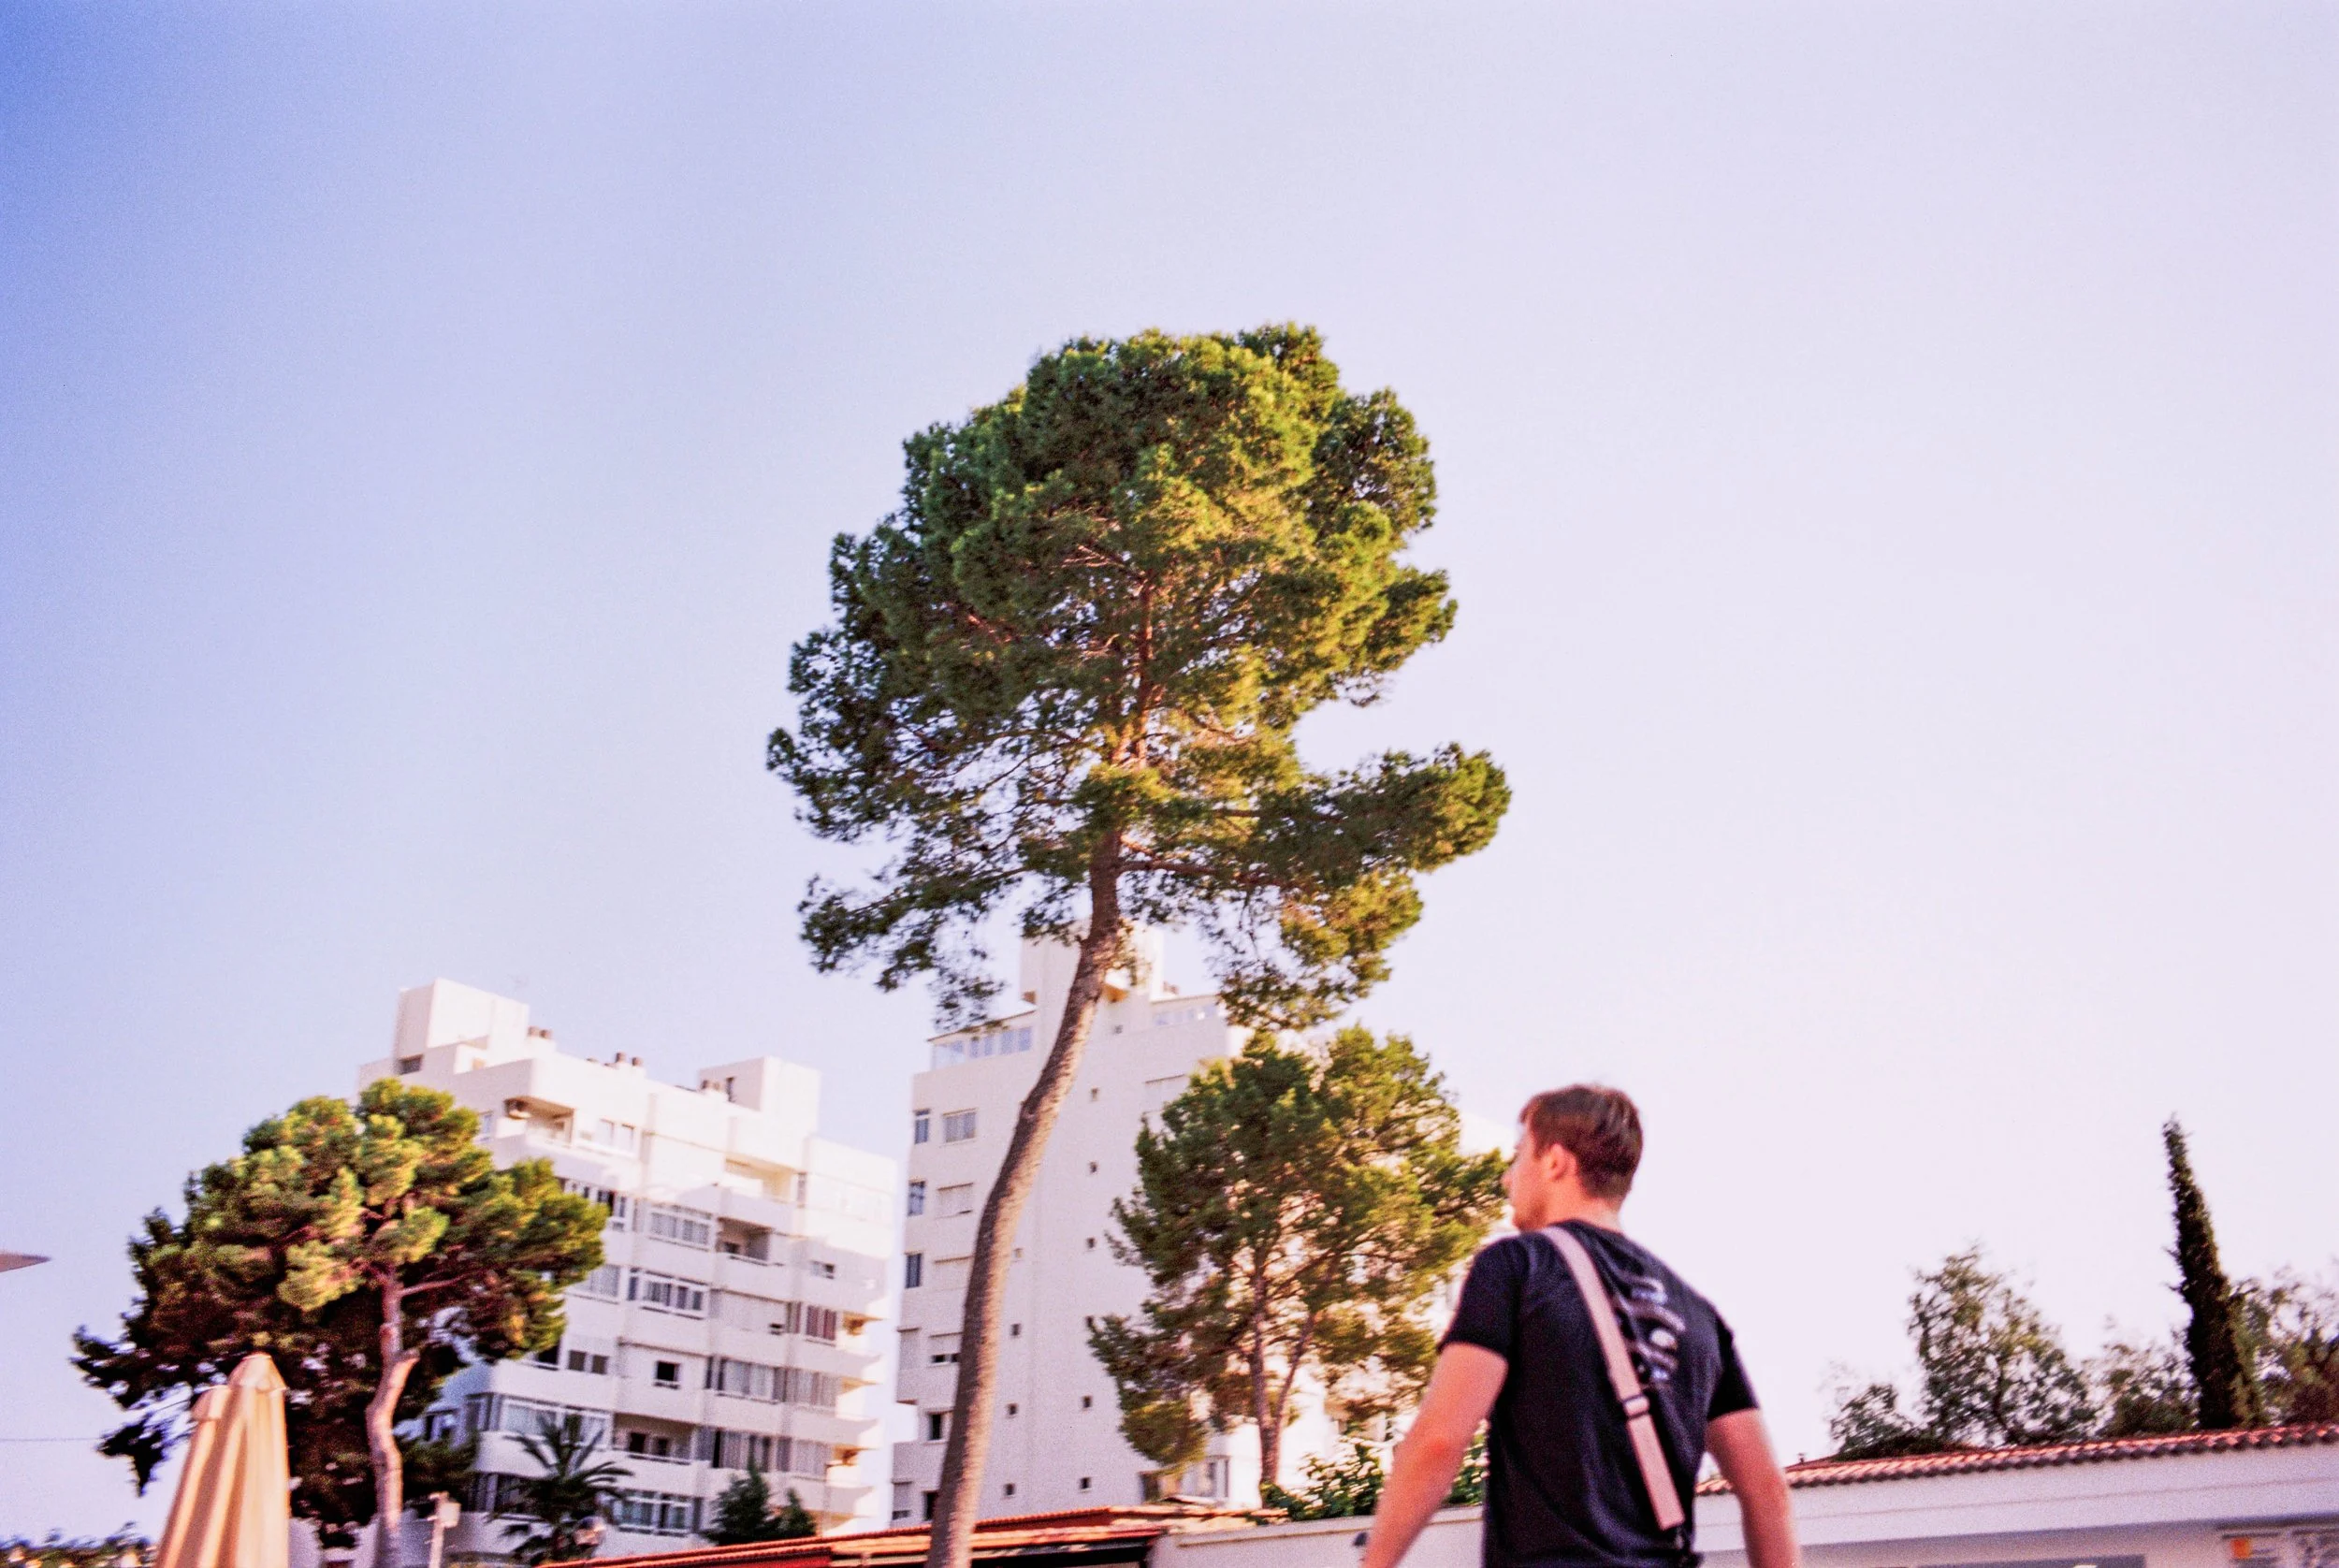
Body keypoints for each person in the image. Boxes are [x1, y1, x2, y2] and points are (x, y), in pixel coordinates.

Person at [1359, 1085, 1799, 1568]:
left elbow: (1439, 1441)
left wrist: (1375, 1562)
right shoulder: (1699, 1314)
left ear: (1554, 1162)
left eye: (1517, 1156)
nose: (1508, 1178)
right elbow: (1767, 1492)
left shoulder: (1516, 1266)